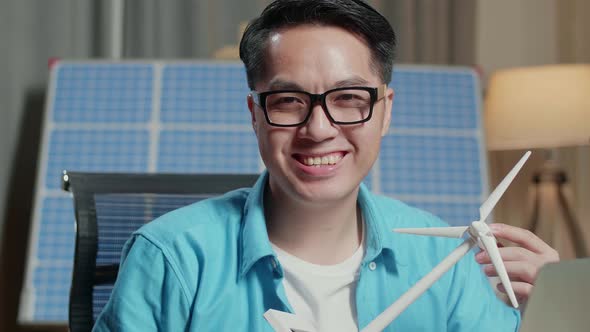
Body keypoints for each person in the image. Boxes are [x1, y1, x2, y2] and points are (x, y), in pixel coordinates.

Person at [93, 0, 559, 331]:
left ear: (385, 111)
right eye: (289, 100)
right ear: (255, 115)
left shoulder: (448, 261)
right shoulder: (171, 257)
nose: (318, 129)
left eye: (349, 98)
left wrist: (564, 314)